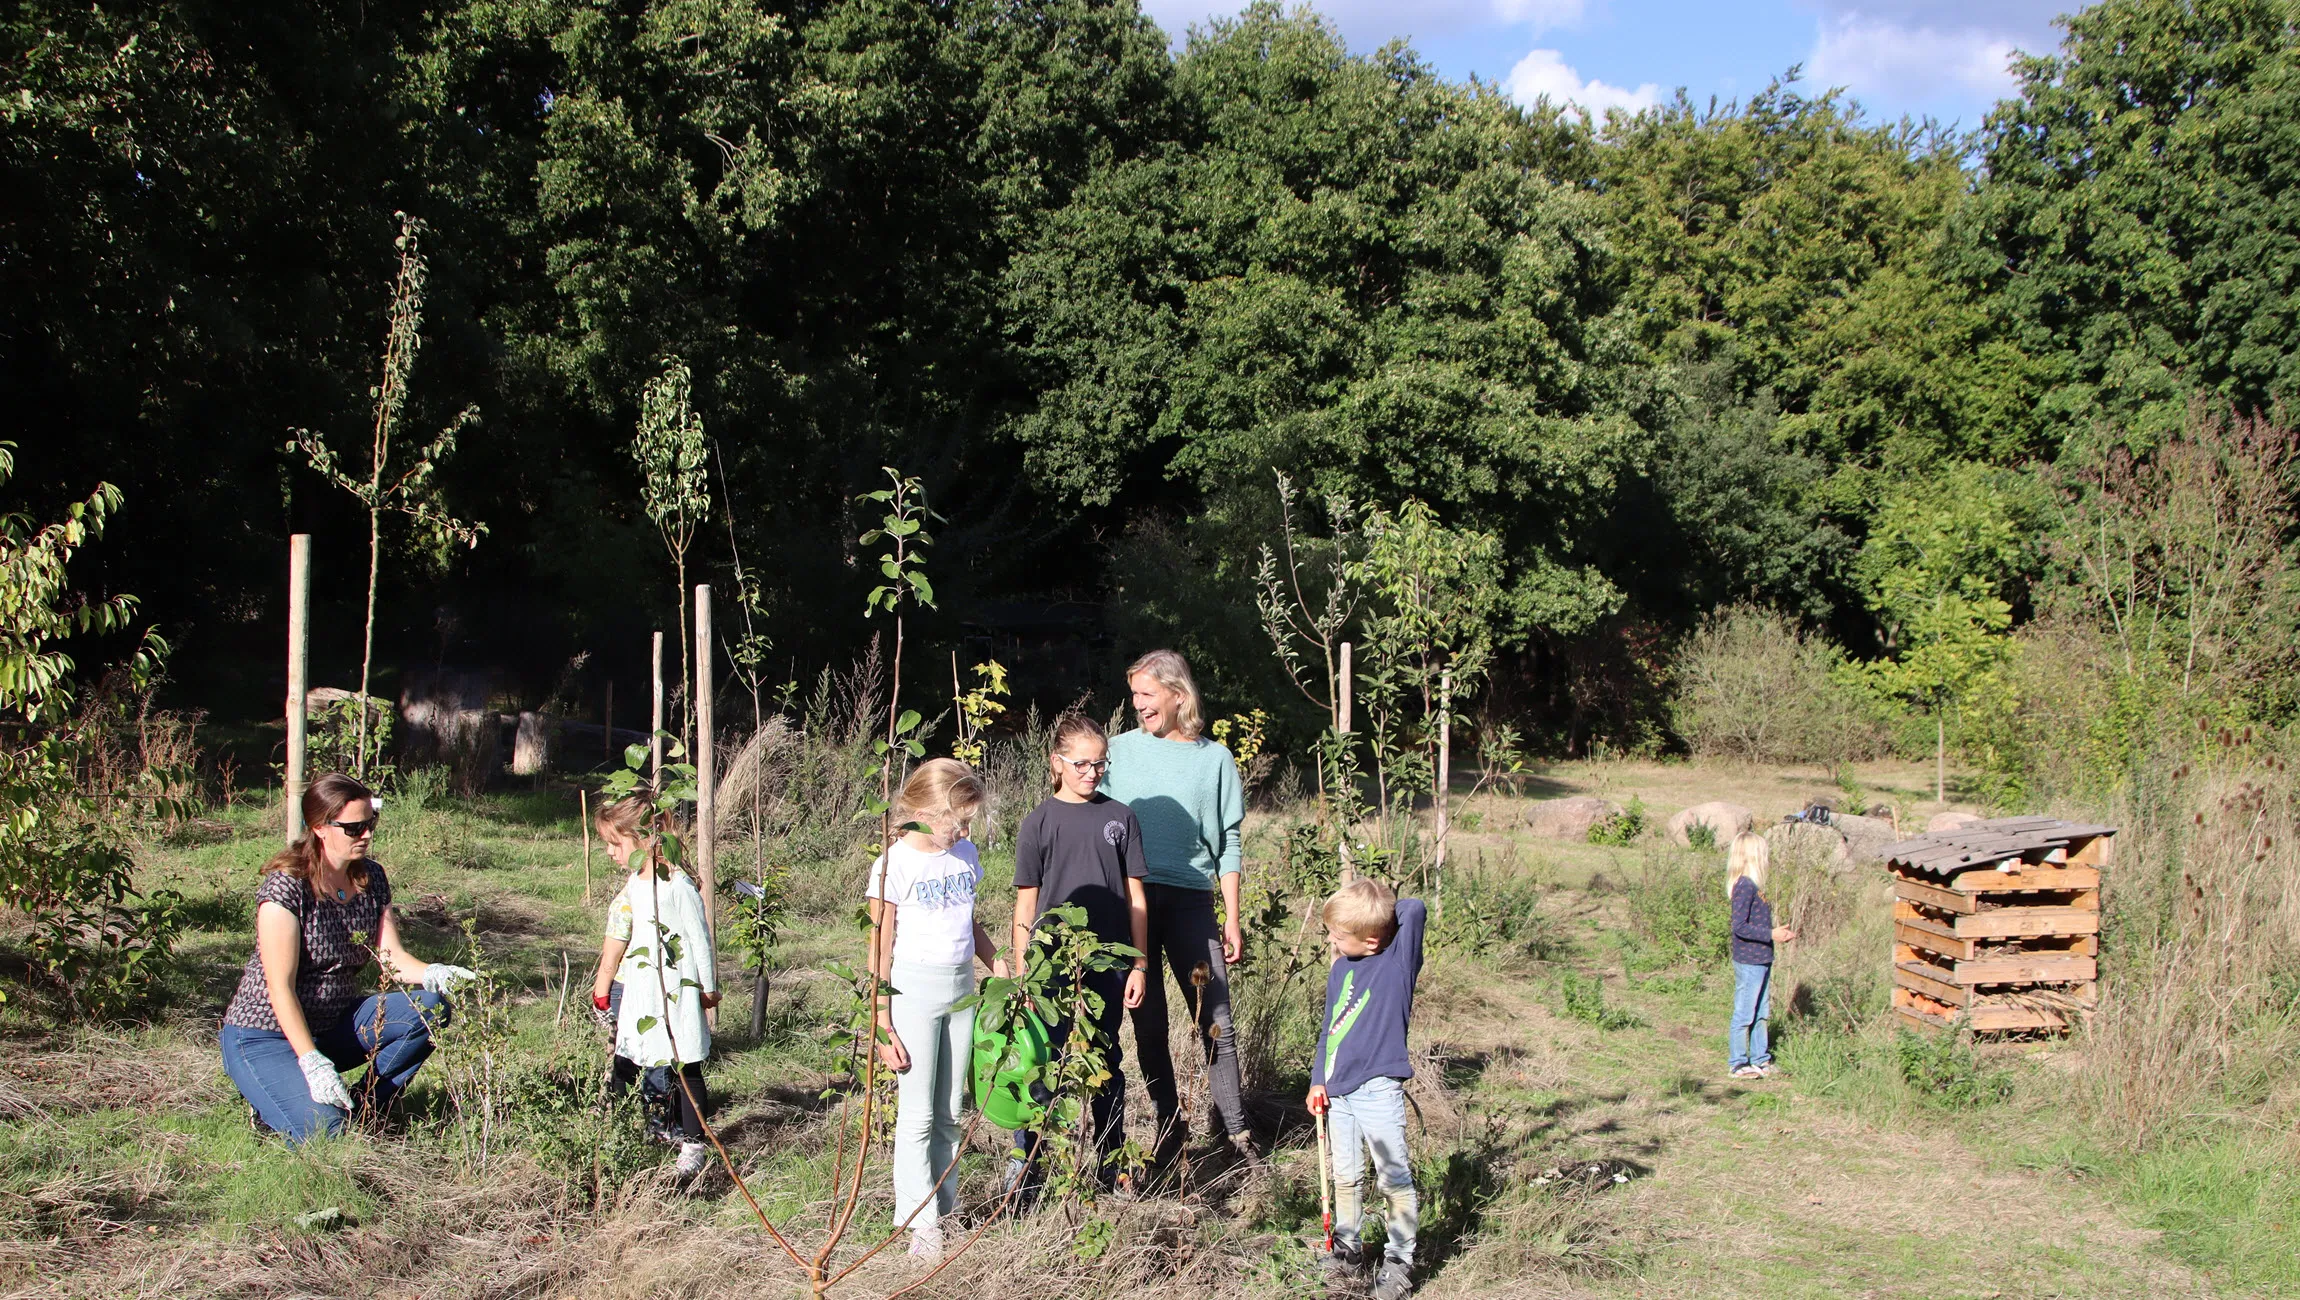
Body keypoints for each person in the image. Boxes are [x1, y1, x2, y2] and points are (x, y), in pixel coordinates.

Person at [219, 772, 474, 1144]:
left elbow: (392, 958)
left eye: (370, 823)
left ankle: (369, 1109)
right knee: (327, 1134)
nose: (367, 835)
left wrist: (434, 973)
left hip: (333, 1025)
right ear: (320, 828)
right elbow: (280, 989)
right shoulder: (286, 888)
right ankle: (279, 1099)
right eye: (354, 828)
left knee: (430, 1009)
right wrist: (311, 1061)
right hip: (265, 1035)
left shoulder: (371, 877)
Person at [1101, 647, 1255, 1166]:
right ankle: (1170, 1129)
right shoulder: (1116, 752)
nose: (1139, 705)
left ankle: (1237, 1135)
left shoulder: (1214, 760)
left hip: (1192, 900)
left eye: (1146, 694)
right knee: (1147, 1020)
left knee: (1216, 1016)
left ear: (1177, 693)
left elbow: (1228, 841)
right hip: (1134, 903)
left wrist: (1231, 917)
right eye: (1134, 696)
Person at [1005, 712, 1151, 1197]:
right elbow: (1026, 905)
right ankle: (1029, 1168)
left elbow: (1136, 898)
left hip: (1107, 963)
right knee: (1043, 1061)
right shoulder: (1038, 822)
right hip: (1051, 964)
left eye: (1100, 764)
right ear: (1057, 763)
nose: (1092, 773)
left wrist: (1140, 963)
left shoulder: (1121, 817)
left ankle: (1112, 1165)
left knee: (1105, 1058)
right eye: (1082, 764)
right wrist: (1025, 975)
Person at [866, 757, 1005, 1260]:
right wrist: (882, 1021)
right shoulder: (893, 864)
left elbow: (970, 923)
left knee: (950, 1110)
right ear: (924, 809)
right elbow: (879, 944)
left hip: (961, 990)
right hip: (913, 992)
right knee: (919, 1112)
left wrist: (997, 963)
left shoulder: (964, 854)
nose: (965, 830)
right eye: (958, 820)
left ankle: (945, 1210)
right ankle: (919, 1222)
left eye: (968, 821)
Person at [588, 794, 721, 1178]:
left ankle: (694, 1144)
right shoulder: (635, 884)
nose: (611, 852)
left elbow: (700, 940)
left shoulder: (677, 886)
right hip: (643, 988)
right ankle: (621, 1130)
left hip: (676, 990)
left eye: (616, 843)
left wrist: (706, 988)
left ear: (644, 837)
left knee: (684, 1063)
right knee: (630, 1055)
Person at [1307, 878, 1427, 1300]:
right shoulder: (1341, 969)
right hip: (1338, 1091)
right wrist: (1317, 1079)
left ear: (1373, 939)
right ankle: (1347, 1249)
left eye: (1339, 935)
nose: (1331, 941)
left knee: (1393, 1177)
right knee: (1345, 1175)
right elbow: (1329, 1031)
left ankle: (1399, 1262)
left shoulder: (1396, 965)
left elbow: (1413, 908)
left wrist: (1378, 904)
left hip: (1378, 1089)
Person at [1726, 831, 1795, 1080]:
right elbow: (1739, 927)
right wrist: (1771, 933)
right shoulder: (1744, 885)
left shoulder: (1755, 886)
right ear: (1753, 856)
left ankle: (1760, 1060)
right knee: (1745, 1013)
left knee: (1761, 1012)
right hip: (1749, 960)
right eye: (1763, 853)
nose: (1767, 858)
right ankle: (1737, 1063)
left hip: (1762, 957)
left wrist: (1776, 933)